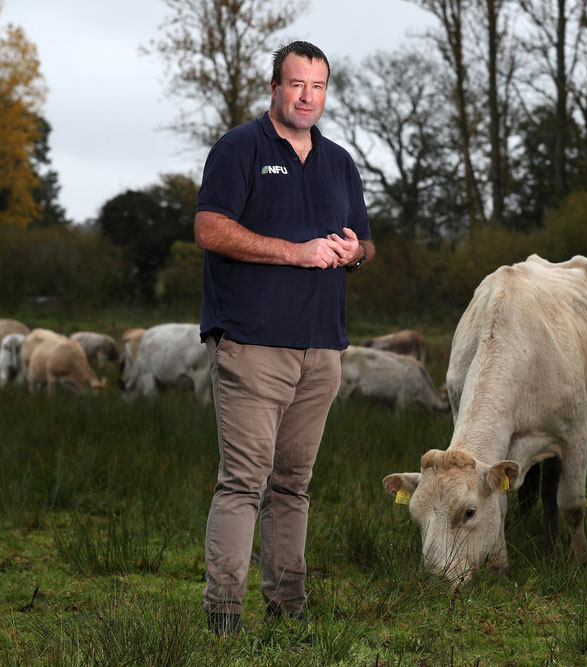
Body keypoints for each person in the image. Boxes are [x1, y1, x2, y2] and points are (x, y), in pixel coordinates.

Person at [194, 40, 374, 637]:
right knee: (244, 481)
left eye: (318, 87)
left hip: (322, 347)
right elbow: (210, 228)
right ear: (276, 87)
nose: (307, 97)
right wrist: (295, 253)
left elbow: (367, 244)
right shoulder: (240, 148)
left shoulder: (340, 161)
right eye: (297, 85)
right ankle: (224, 612)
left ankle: (288, 606)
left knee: (293, 484)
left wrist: (355, 254)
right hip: (253, 342)